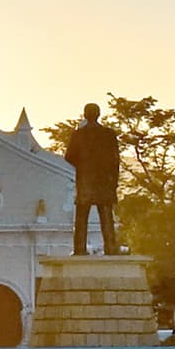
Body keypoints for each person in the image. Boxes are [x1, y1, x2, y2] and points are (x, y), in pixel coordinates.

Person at [65, 104, 122, 256]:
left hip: (86, 181)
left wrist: (83, 165)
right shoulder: (109, 134)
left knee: (81, 218)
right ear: (98, 114)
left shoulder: (78, 135)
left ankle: (80, 249)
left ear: (85, 115)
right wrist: (113, 180)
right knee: (106, 217)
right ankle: (111, 248)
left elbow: (69, 156)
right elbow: (115, 159)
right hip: (104, 181)